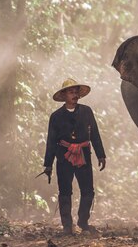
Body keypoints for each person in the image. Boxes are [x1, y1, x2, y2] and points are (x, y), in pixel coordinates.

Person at [43, 78, 106, 235]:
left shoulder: (87, 111)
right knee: (65, 191)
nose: (75, 95)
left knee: (88, 191)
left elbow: (95, 134)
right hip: (64, 157)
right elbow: (51, 141)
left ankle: (83, 223)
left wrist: (101, 155)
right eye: (71, 92)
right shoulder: (56, 116)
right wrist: (48, 163)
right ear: (64, 95)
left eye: (76, 92)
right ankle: (67, 226)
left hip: (83, 155)